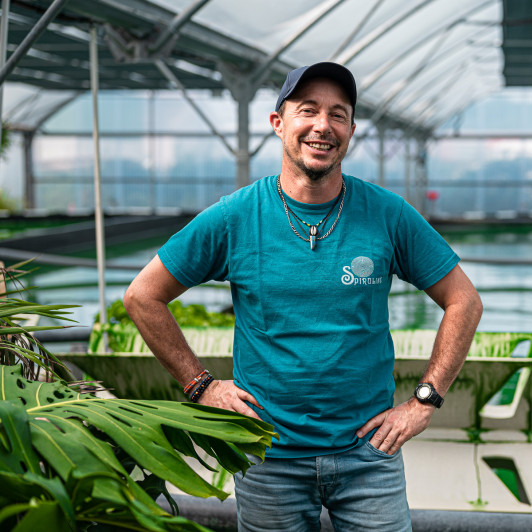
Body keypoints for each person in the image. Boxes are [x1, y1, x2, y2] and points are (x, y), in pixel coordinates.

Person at [123, 61, 482, 531]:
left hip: (369, 454)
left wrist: (424, 401)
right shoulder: (236, 217)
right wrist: (200, 385)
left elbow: (464, 301)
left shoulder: (387, 214)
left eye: (338, 114)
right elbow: (143, 296)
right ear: (279, 123)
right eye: (307, 110)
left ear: (351, 130)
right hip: (267, 457)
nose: (322, 126)